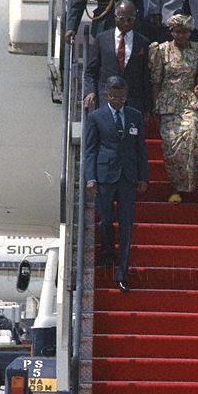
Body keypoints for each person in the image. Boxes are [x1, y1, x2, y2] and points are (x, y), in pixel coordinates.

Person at [84, 77, 149, 293]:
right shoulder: (96, 117)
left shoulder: (135, 116)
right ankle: (107, 253)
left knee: (126, 224)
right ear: (107, 96)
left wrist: (143, 177)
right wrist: (90, 177)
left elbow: (141, 148)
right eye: (114, 97)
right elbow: (90, 149)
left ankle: (122, 271)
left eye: (122, 97)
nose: (119, 101)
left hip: (128, 178)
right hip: (104, 175)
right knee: (105, 220)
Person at [148, 13, 198, 203]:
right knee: (172, 147)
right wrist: (155, 106)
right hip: (168, 101)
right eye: (177, 32)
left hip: (189, 99)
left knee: (192, 136)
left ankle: (190, 181)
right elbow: (156, 81)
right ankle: (177, 187)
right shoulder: (162, 51)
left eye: (185, 32)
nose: (181, 36)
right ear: (172, 32)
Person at [84, 0, 152, 113]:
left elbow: (145, 76)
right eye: (122, 19)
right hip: (106, 99)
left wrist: (148, 106)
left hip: (133, 101)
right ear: (115, 17)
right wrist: (90, 91)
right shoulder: (102, 39)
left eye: (130, 19)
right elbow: (91, 71)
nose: (126, 23)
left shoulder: (142, 42)